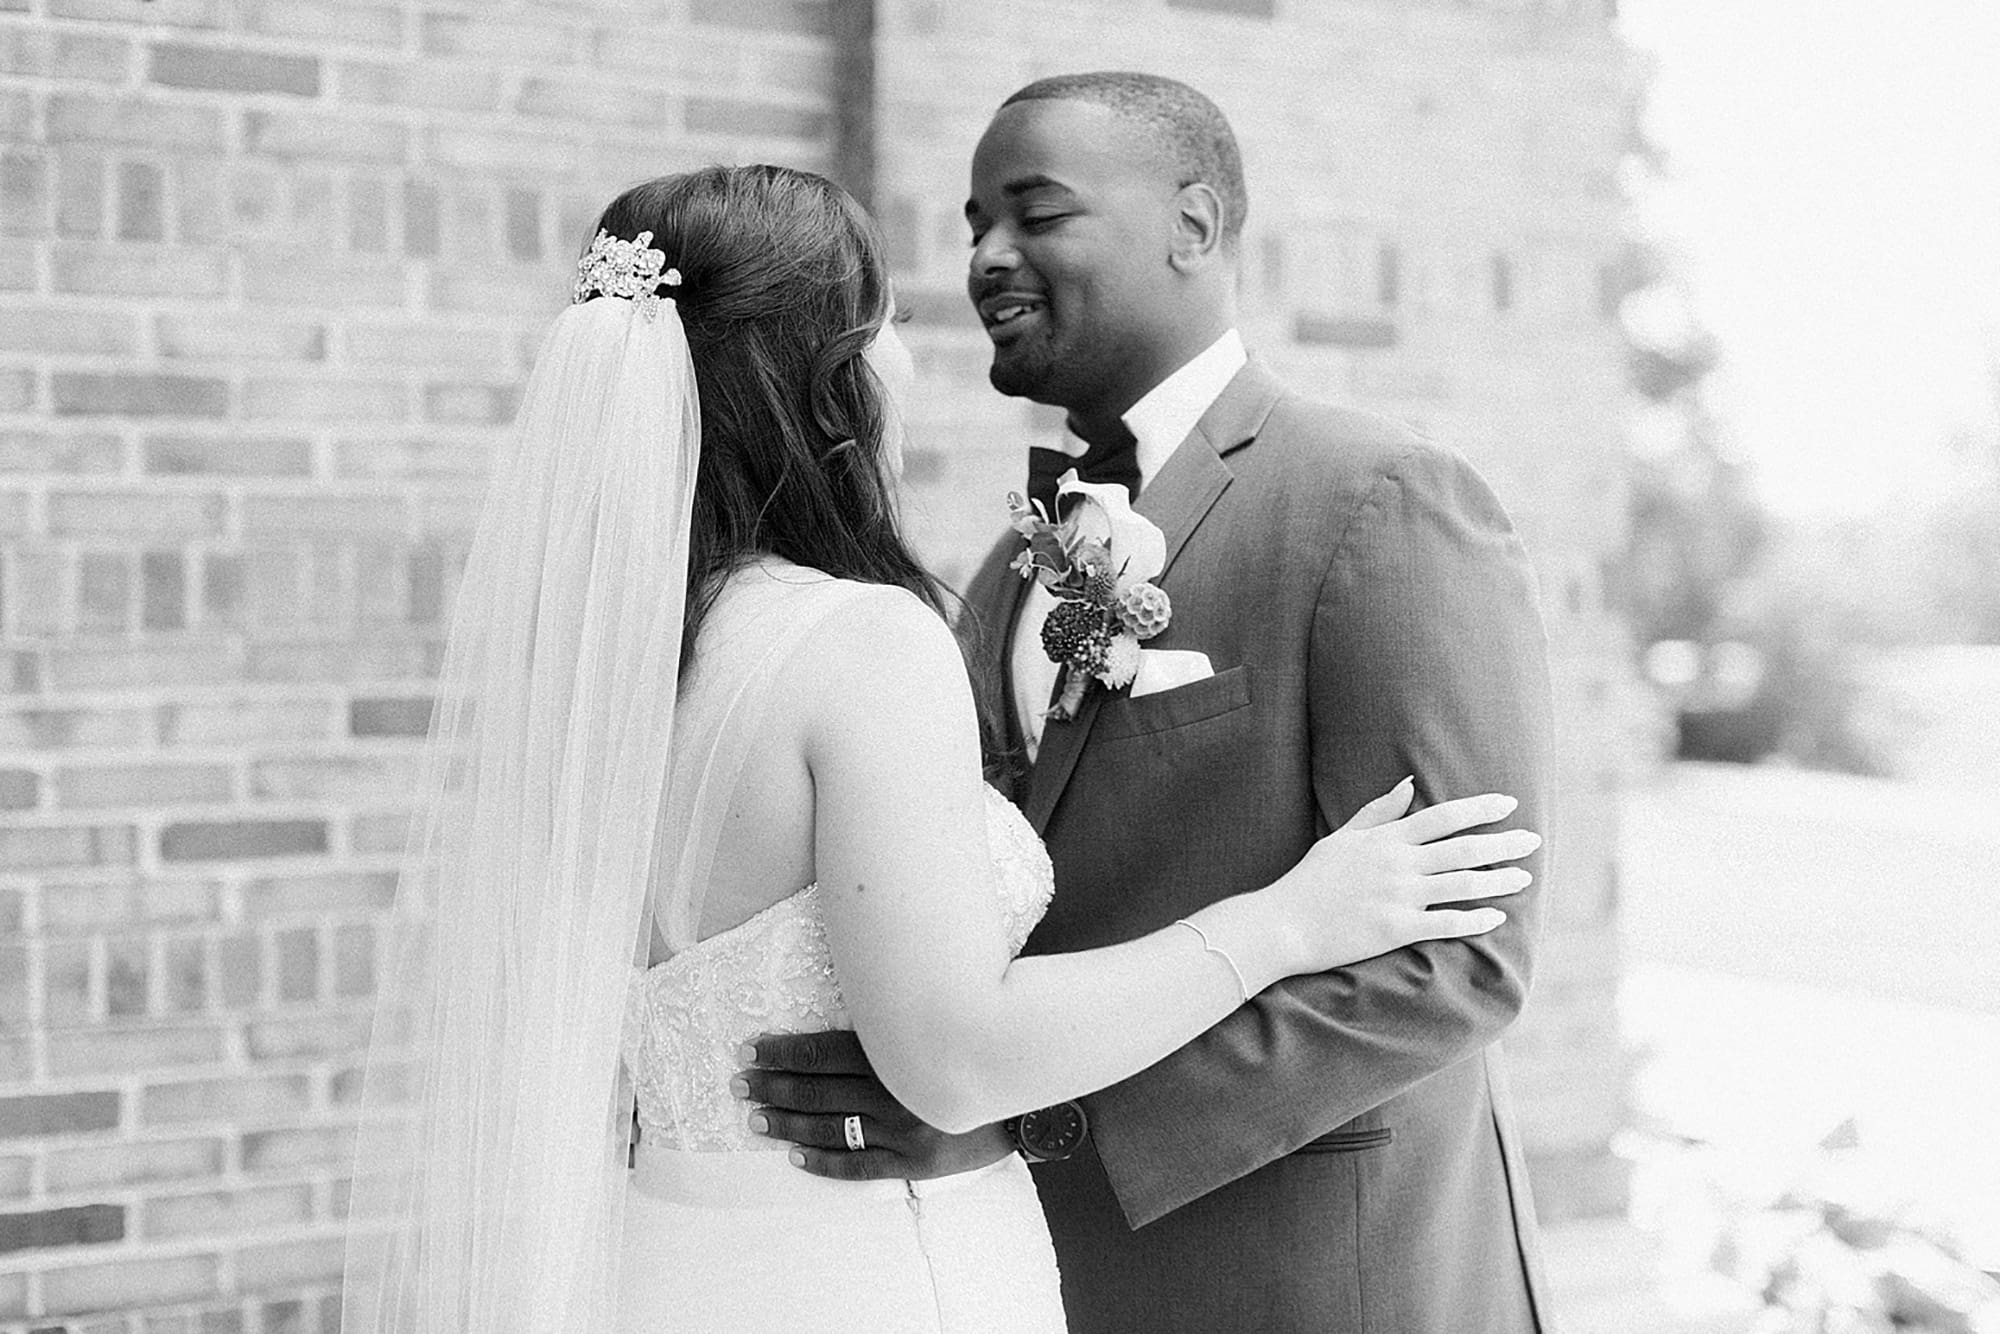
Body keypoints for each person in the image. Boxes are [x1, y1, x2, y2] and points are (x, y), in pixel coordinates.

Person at [336, 162, 1540, 1333]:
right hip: (871, 1266)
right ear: (825, 375)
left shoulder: (597, 661)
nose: (934, 322)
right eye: (887, 322)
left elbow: (1468, 956)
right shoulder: (865, 638)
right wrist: (1290, 918)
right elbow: (955, 1056)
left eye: (1036, 208)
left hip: (667, 1252)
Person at [748, 74, 1559, 1332]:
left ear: (1192, 224)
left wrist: (1035, 1120)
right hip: (1054, 1277)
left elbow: (1455, 958)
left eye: (1035, 212)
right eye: (972, 225)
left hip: (1314, 1275)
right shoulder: (1004, 571)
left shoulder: (1378, 500)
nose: (985, 259)